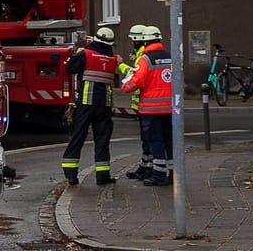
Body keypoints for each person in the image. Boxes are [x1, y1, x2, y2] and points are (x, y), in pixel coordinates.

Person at [61, 27, 119, 185]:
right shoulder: (113, 58)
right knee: (102, 139)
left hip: (86, 103)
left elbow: (69, 68)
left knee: (78, 136)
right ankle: (103, 176)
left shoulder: (85, 54)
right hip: (104, 105)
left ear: (95, 39)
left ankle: (71, 174)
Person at [120, 25, 174, 186]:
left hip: (151, 109)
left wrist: (125, 87)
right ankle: (171, 173)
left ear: (144, 41)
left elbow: (137, 80)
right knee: (168, 140)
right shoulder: (170, 57)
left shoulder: (146, 59)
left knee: (155, 140)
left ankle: (158, 175)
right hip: (170, 108)